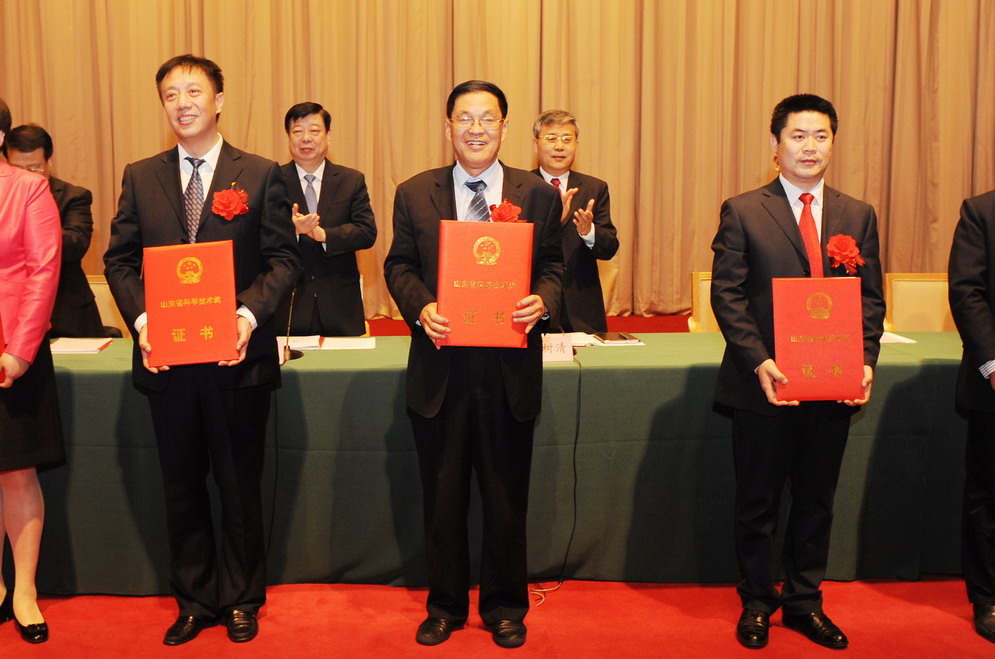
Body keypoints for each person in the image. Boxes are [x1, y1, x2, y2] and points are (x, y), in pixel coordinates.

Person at [103, 55, 300, 646]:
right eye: (170, 94)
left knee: (239, 486)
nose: (182, 103)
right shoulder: (141, 175)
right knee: (182, 485)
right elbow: (119, 261)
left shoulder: (260, 174)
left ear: (219, 100)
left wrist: (246, 316)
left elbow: (283, 261)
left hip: (237, 359)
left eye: (193, 91)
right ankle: (193, 599)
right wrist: (143, 322)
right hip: (166, 360)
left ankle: (240, 598)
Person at [383, 80, 563, 649]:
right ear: (448, 127)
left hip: (509, 369)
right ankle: (445, 606)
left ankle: (506, 607)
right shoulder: (415, 193)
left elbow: (553, 266)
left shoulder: (537, 194)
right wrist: (421, 307)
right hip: (441, 367)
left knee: (506, 498)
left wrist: (543, 301)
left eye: (488, 118)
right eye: (465, 118)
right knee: (442, 497)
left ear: (505, 128)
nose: (476, 129)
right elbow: (398, 265)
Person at [710, 94, 884, 650]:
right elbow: (728, 295)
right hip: (765, 384)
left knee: (816, 500)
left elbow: (871, 300)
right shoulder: (743, 210)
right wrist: (759, 360)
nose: (810, 147)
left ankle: (806, 602)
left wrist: (865, 361)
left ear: (833, 142)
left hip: (832, 385)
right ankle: (758, 602)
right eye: (798, 135)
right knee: (757, 502)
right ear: (775, 143)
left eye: (821, 136)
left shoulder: (857, 214)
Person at [0, 97, 65, 644]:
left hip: (12, 352)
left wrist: (20, 349)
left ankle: (23, 591)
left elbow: (44, 269)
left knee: (16, 472)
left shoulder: (27, 188)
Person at [276, 102, 377, 336]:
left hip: (340, 304)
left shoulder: (351, 180)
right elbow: (259, 235)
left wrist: (325, 235)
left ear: (328, 135)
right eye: (298, 131)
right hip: (289, 304)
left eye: (314, 130)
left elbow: (366, 232)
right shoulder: (273, 180)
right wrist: (293, 231)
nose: (306, 138)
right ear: (288, 136)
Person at [4, 124, 105, 337]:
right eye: (18, 169)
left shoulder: (74, 196)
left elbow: (75, 245)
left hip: (67, 313)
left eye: (34, 169)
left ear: (49, 161)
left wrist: (35, 228)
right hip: (14, 312)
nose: (26, 177)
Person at [948, 192, 995, 645]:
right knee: (989, 493)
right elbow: (967, 292)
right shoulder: (982, 211)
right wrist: (993, 365)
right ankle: (988, 596)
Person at [531, 110, 619, 332]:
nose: (559, 146)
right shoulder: (522, 186)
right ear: (536, 144)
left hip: (582, 309)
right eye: (551, 138)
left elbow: (609, 248)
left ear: (576, 145)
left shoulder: (594, 188)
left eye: (567, 139)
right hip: (534, 306)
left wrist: (589, 232)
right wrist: (553, 221)